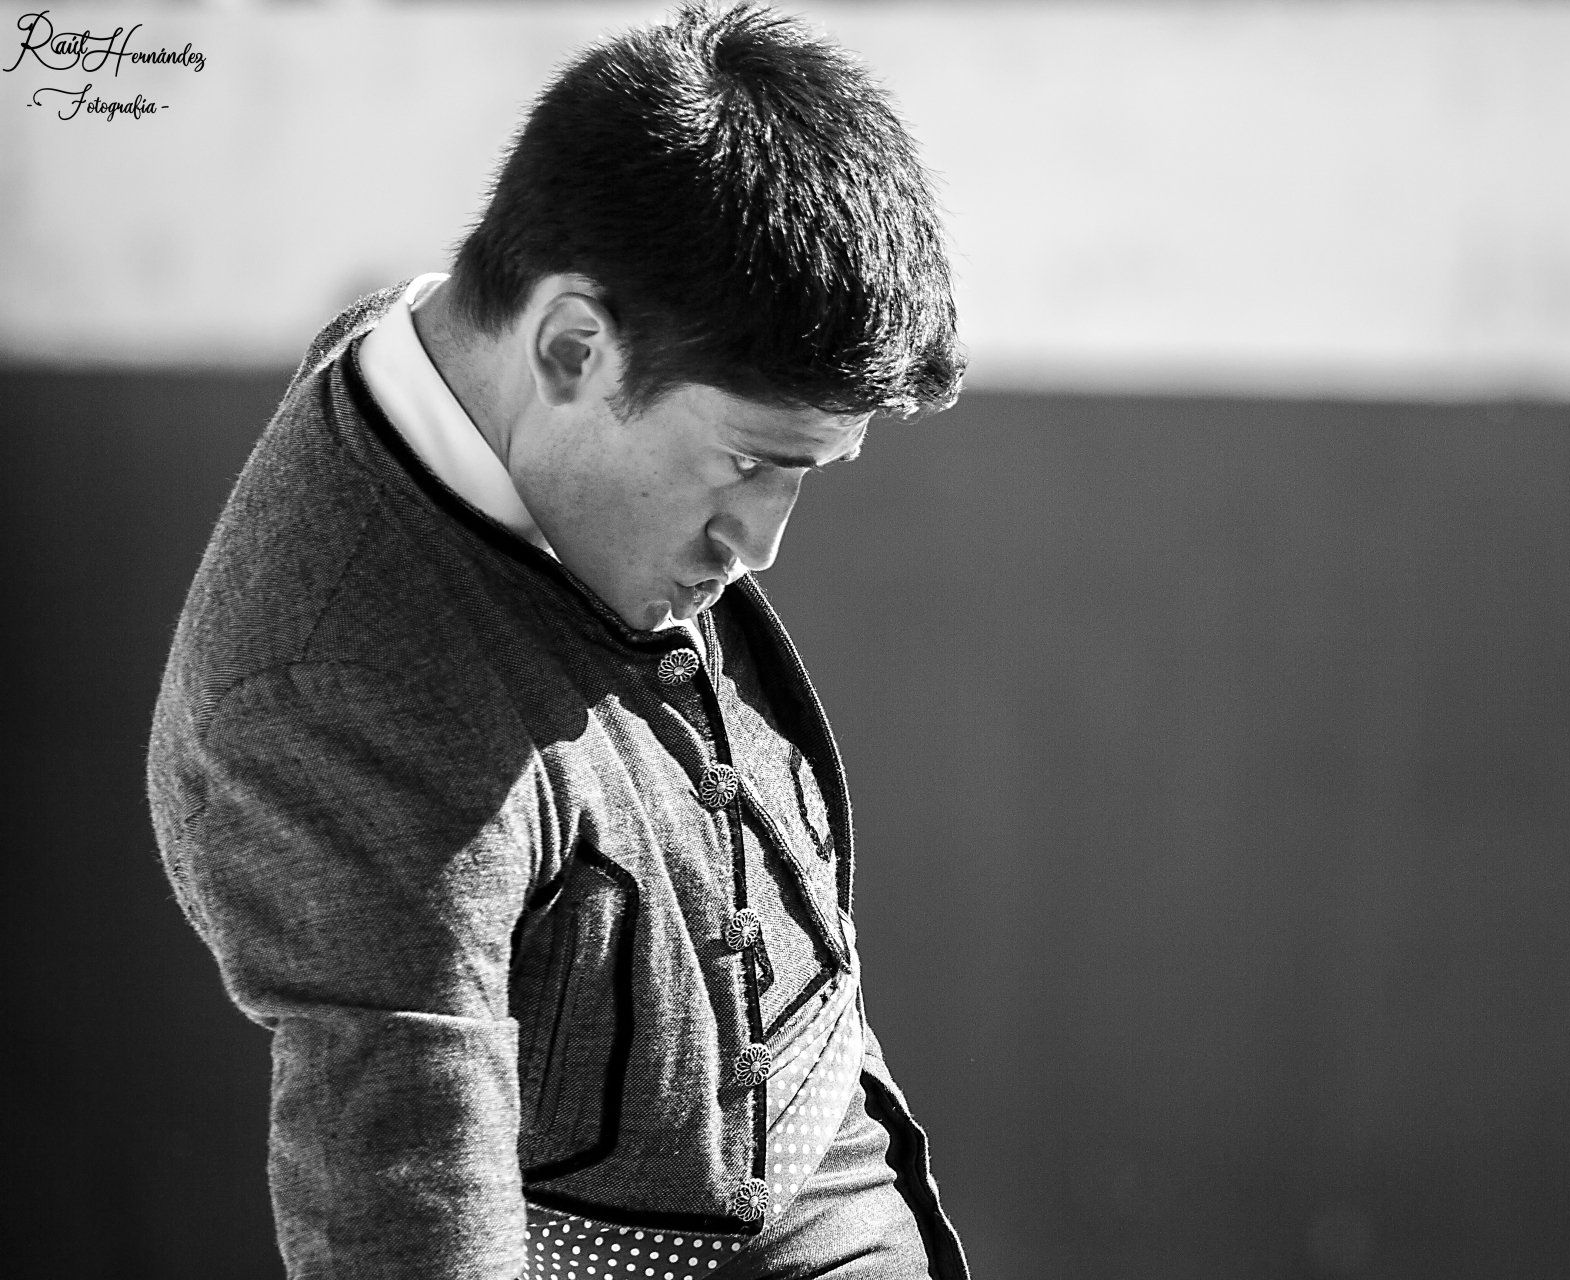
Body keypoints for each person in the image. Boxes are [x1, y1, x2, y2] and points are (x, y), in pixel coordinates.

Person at [144, 5, 968, 1278]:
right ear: (573, 345)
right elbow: (409, 1208)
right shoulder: (333, 703)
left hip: (835, 1124)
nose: (761, 543)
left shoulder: (452, 352)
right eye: (750, 460)